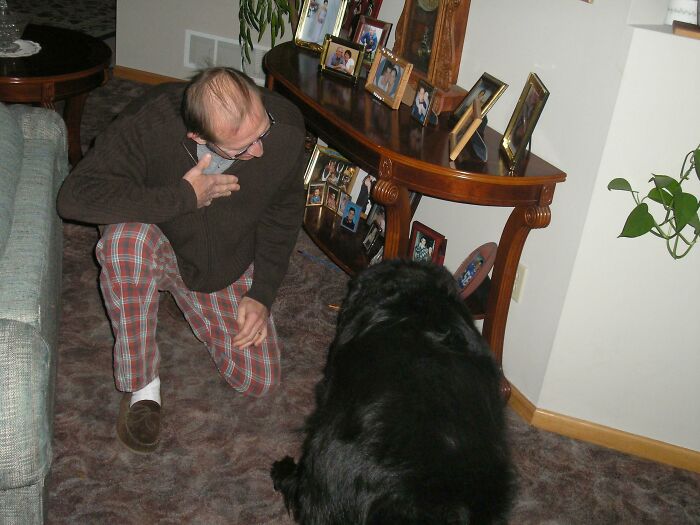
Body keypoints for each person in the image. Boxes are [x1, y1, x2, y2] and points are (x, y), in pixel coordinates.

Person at [56, 67, 306, 453]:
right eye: (242, 147)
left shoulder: (285, 128)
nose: (259, 151)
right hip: (158, 240)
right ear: (199, 137)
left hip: (223, 259)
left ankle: (183, 296)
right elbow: (75, 197)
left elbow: (284, 212)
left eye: (262, 131)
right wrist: (183, 197)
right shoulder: (148, 123)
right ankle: (141, 388)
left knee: (258, 379)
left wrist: (262, 293)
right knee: (125, 245)